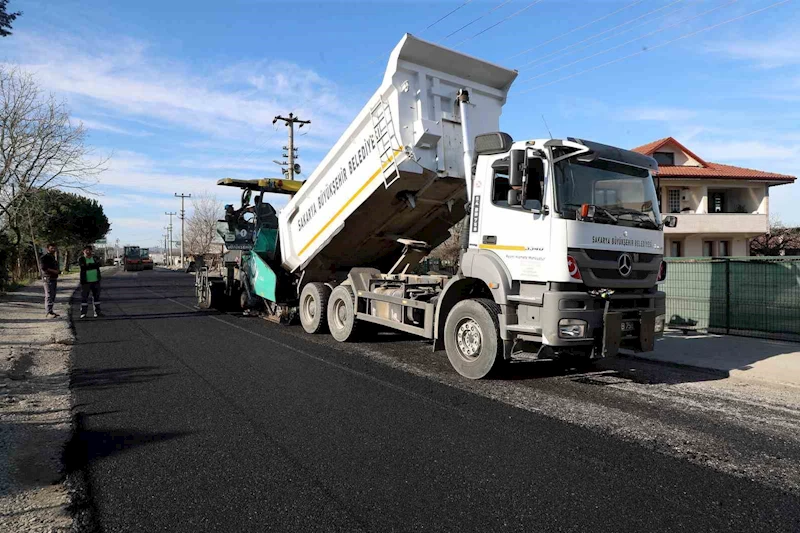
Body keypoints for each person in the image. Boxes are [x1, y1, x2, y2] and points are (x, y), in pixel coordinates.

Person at [78, 245, 102, 319]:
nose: (88, 252)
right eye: (86, 250)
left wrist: (89, 265)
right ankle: (83, 313)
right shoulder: (81, 259)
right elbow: (83, 267)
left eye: (89, 250)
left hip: (96, 281)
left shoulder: (95, 258)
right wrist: (93, 266)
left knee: (96, 297)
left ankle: (97, 312)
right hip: (86, 282)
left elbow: (99, 264)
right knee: (84, 298)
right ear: (83, 251)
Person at [40, 243, 60, 318]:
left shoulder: (53, 257)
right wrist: (54, 271)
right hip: (48, 278)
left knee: (53, 295)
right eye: (52, 248)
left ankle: (51, 310)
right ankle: (48, 311)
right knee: (49, 294)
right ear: (48, 249)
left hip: (54, 278)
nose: (53, 250)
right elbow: (44, 268)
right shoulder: (44, 257)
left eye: (54, 248)